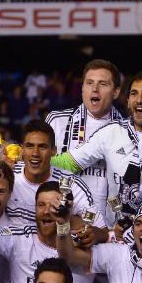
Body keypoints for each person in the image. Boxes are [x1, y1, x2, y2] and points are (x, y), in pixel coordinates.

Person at [51, 71, 142, 222]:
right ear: (127, 101)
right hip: (118, 235)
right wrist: (36, 157)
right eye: (134, 94)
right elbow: (70, 162)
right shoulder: (111, 133)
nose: (139, 100)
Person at [47, 60, 125, 214]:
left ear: (116, 92)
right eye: (89, 83)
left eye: (103, 84)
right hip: (63, 219)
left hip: (107, 227)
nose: (95, 89)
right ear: (82, 88)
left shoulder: (128, 131)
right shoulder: (56, 121)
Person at [5, 119, 103, 234]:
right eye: (30, 146)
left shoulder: (70, 183)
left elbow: (100, 228)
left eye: (42, 147)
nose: (35, 153)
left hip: (56, 250)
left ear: (53, 151)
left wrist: (65, 218)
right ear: (22, 150)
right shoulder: (7, 175)